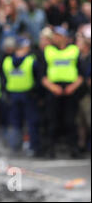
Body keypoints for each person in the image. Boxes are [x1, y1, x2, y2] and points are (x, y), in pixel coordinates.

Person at [41, 26, 84, 158]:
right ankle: (50, 150)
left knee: (70, 122)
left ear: (65, 37)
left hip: (70, 90)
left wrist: (72, 87)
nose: (56, 37)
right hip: (53, 90)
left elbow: (81, 74)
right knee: (52, 121)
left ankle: (74, 150)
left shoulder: (74, 51)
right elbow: (42, 75)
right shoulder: (48, 51)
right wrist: (53, 87)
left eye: (58, 35)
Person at [2, 37, 40, 156]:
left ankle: (15, 147)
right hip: (28, 95)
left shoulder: (7, 61)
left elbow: (4, 79)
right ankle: (32, 147)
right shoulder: (31, 60)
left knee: (15, 123)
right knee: (31, 122)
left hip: (13, 95)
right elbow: (37, 78)